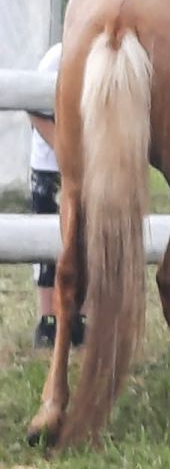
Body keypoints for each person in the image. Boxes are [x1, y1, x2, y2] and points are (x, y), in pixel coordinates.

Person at [27, 43, 85, 349]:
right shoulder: (55, 57)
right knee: (46, 245)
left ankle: (79, 316)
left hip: (88, 166)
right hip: (50, 165)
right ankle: (48, 318)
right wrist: (64, 151)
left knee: (85, 241)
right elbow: (34, 109)